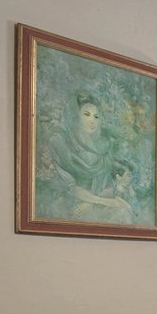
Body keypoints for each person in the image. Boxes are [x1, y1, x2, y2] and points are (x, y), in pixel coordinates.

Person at [44, 93, 135, 224]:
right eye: (86, 114)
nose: (92, 120)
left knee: (123, 214)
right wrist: (106, 202)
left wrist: (91, 204)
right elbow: (69, 187)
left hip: (96, 203)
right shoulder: (59, 143)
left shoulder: (105, 145)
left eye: (96, 116)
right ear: (75, 117)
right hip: (69, 203)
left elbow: (108, 186)